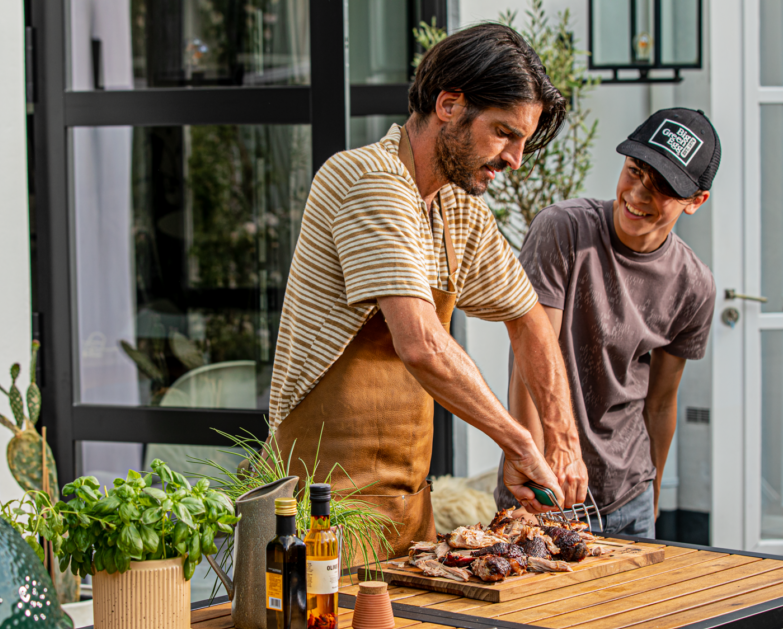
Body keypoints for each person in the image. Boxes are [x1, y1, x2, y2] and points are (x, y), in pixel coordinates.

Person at [267, 23, 587, 558]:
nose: (515, 159)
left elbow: (529, 318)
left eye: (523, 142)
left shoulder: (456, 210)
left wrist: (564, 440)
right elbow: (421, 343)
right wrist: (518, 441)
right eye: (505, 132)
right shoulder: (368, 179)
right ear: (449, 104)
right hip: (320, 513)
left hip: (409, 514)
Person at [494, 108, 720, 538]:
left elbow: (660, 402)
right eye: (634, 172)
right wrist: (536, 479)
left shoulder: (694, 285)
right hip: (542, 499)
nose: (637, 194)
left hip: (627, 500)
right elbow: (530, 360)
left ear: (696, 201)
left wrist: (651, 495)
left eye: (663, 189)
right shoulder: (562, 231)